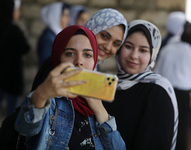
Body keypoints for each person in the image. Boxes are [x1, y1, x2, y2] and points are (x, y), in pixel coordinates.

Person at [14, 25, 126, 150]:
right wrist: (41, 95)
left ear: (94, 61)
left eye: (87, 55)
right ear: (58, 58)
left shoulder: (97, 101)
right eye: (70, 53)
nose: (79, 61)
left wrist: (100, 110)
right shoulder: (47, 99)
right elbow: (25, 128)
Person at [103, 20, 178, 150]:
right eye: (128, 46)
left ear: (152, 55)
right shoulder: (109, 85)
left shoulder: (157, 91)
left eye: (143, 50)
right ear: (120, 48)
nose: (134, 55)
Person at [0, 0, 30, 126]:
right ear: (10, 11)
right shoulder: (15, 29)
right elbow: (25, 48)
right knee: (12, 115)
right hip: (12, 77)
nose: (18, 12)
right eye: (16, 10)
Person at [154, 21, 191, 150]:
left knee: (165, 124)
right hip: (183, 95)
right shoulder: (189, 51)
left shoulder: (167, 48)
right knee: (181, 127)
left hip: (165, 91)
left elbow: (157, 72)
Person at [37, 2, 70, 67]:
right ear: (56, 16)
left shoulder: (55, 35)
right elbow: (46, 64)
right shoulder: (48, 38)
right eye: (65, 15)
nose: (68, 19)